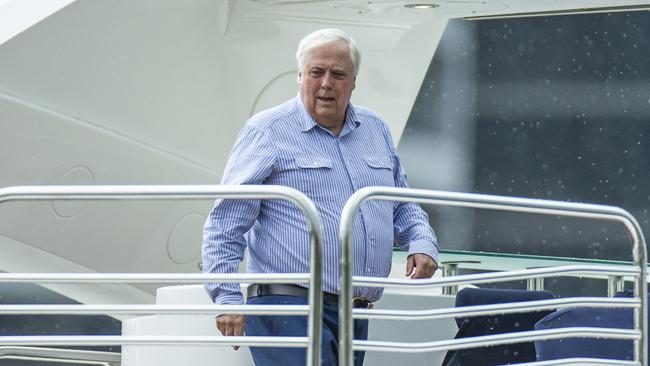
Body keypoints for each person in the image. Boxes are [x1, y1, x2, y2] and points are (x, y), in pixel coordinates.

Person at [202, 28, 439, 366]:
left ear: (353, 81)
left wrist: (421, 241)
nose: (327, 82)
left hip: (355, 313)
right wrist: (226, 297)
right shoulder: (267, 131)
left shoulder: (376, 130)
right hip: (289, 308)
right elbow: (226, 221)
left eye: (338, 74)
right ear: (300, 76)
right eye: (317, 72)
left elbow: (401, 202)